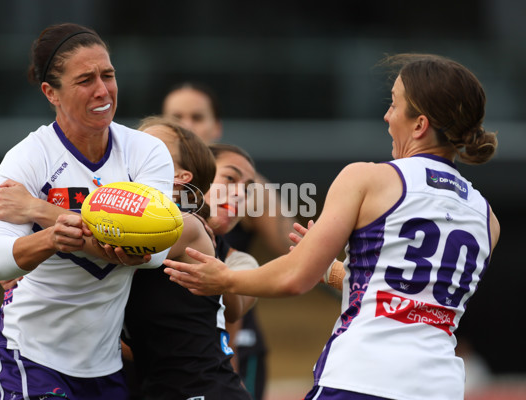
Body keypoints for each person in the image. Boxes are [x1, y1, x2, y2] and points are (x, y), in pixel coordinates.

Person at [163, 53, 500, 400]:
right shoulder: (487, 217)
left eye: (394, 105)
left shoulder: (368, 177)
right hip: (440, 387)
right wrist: (336, 270)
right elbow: (414, 299)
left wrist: (225, 278)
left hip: (363, 377)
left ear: (420, 125)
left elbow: (295, 278)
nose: (387, 116)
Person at [0, 23, 174, 400]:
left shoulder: (146, 152)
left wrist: (45, 213)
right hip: (29, 353)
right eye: (85, 80)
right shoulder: (25, 158)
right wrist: (51, 239)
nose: (102, 90)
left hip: (104, 364)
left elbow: (155, 252)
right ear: (50, 93)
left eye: (108, 75)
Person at [122, 117, 256, 399]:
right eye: (229, 179)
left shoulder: (186, 227)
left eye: (246, 188)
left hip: (202, 390)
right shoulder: (180, 224)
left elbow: (99, 250)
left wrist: (37, 215)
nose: (238, 193)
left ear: (183, 178)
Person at [163, 82, 277, 399]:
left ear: (216, 126)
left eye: (197, 117)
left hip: (215, 360)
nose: (186, 127)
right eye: (176, 117)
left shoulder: (235, 251)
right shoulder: (143, 201)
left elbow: (293, 254)